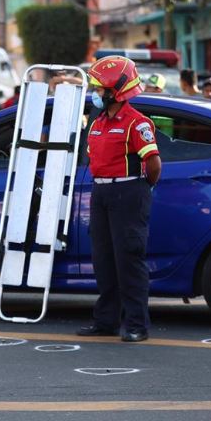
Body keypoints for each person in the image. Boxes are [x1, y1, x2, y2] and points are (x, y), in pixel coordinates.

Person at [76, 55, 162, 343]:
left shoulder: (137, 124)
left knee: (129, 260)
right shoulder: (98, 122)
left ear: (116, 90)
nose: (96, 94)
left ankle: (137, 324)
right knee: (103, 259)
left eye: (100, 89)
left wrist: (140, 188)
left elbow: (153, 164)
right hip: (101, 193)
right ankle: (106, 321)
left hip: (128, 192)